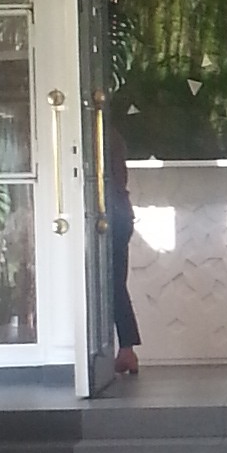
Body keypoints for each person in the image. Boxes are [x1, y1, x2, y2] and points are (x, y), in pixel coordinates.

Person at [106, 121, 141, 377]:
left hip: (110, 215)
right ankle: (126, 349)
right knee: (116, 283)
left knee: (110, 284)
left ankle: (125, 350)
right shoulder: (114, 136)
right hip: (122, 213)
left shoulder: (97, 137)